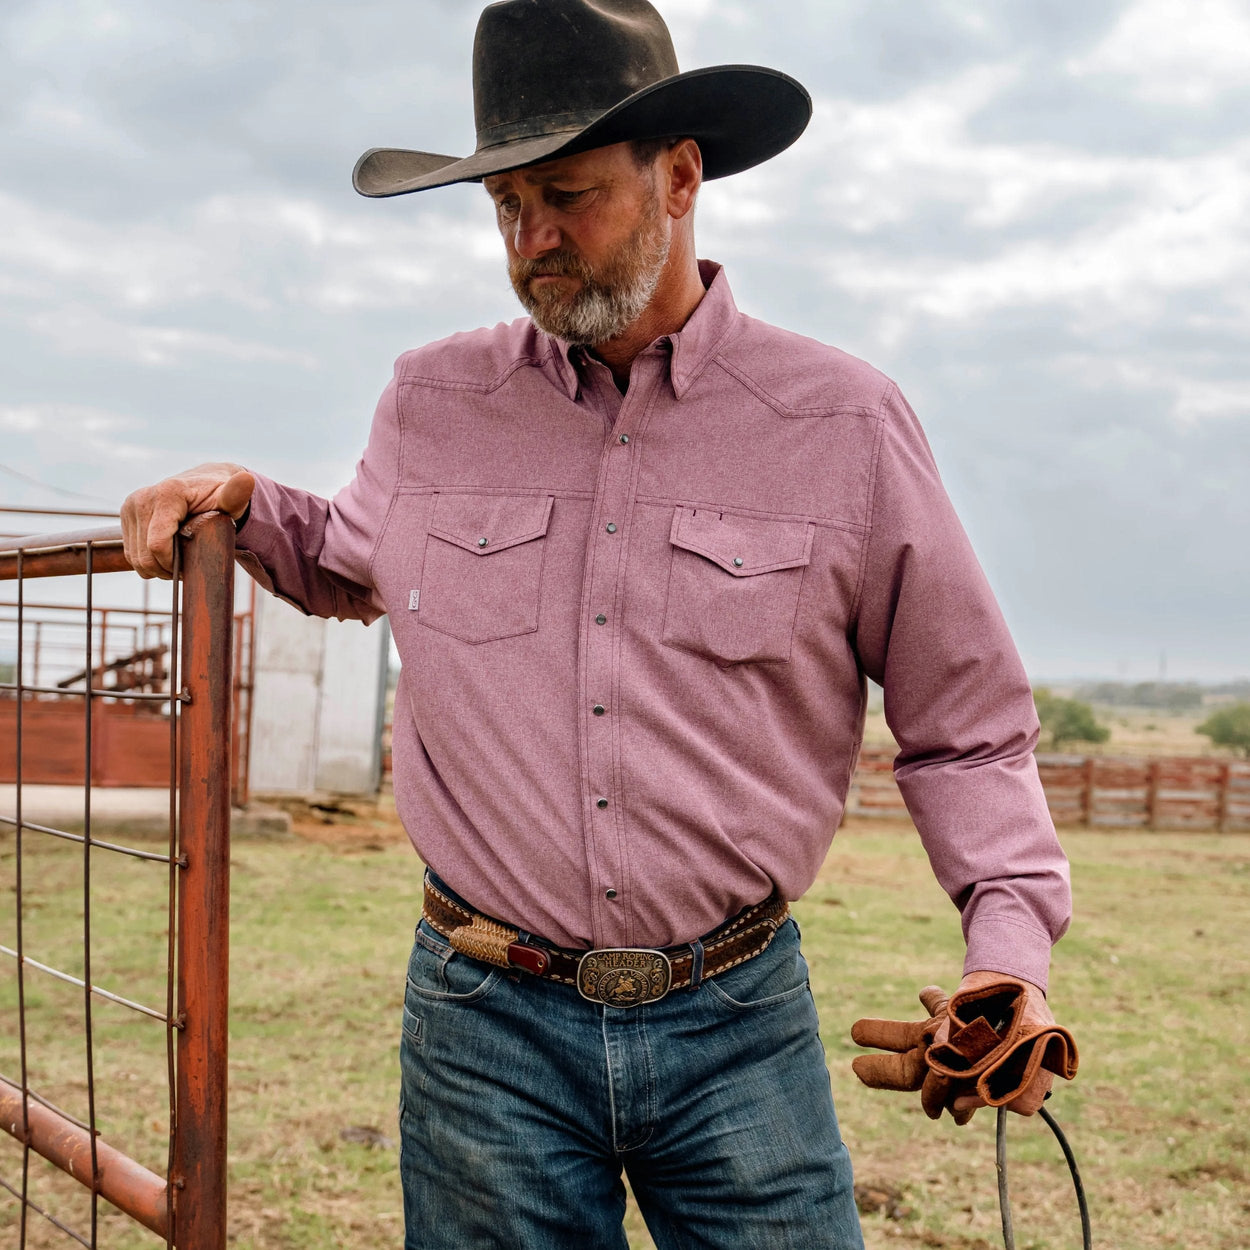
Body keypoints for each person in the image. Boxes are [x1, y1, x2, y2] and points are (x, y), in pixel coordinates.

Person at [121, 2, 1073, 1247]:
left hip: (735, 1013)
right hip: (482, 1020)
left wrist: (1006, 953)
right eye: (505, 206)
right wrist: (243, 506)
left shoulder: (841, 425)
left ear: (680, 177)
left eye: (564, 194)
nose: (533, 240)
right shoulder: (431, 398)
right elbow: (351, 556)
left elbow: (969, 728)